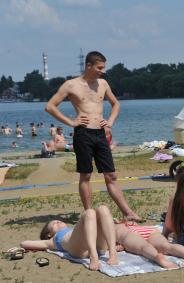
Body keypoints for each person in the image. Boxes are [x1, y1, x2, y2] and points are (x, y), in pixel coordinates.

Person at [45, 51, 141, 221]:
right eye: (99, 67)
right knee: (86, 175)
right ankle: (89, 213)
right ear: (88, 65)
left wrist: (110, 121)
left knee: (111, 175)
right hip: (83, 134)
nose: (102, 71)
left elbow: (115, 104)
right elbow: (50, 106)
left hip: (101, 133)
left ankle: (129, 213)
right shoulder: (71, 85)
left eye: (103, 68)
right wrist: (71, 122)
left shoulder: (103, 83)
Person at [20, 205, 118, 271]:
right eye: (54, 223)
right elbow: (24, 243)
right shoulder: (51, 241)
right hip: (80, 249)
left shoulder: (74, 229)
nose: (58, 222)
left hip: (99, 246)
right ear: (49, 234)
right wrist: (21, 246)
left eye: (58, 221)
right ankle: (93, 255)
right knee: (90, 212)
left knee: (103, 208)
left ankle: (113, 253)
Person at [115, 222, 184, 267]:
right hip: (148, 230)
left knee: (143, 247)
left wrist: (116, 247)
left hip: (129, 234)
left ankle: (157, 257)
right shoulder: (124, 222)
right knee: (166, 245)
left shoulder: (111, 228)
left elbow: (106, 244)